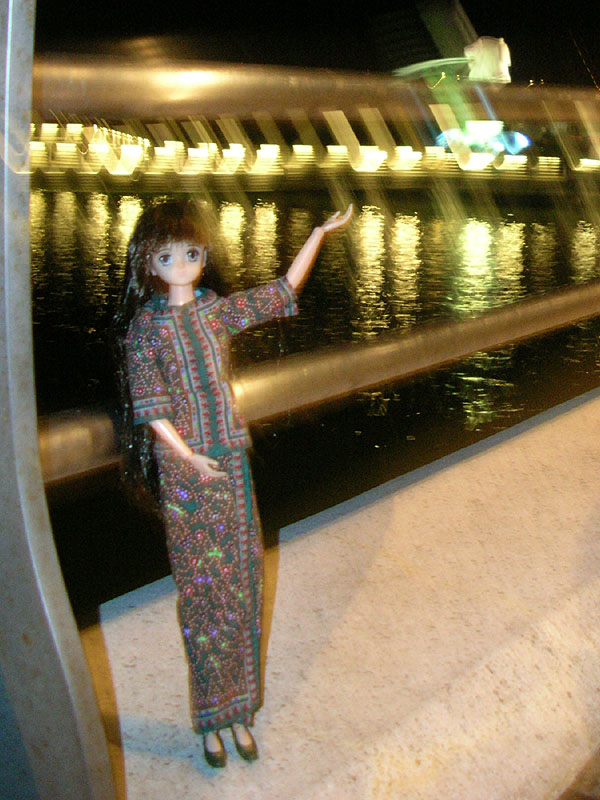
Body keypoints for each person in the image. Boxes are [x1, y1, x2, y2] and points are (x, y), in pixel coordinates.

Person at [113, 197, 353, 768]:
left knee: (242, 585)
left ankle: (240, 711)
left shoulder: (214, 311)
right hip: (187, 476)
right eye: (167, 256)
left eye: (191, 254)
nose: (181, 265)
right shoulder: (145, 330)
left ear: (203, 256)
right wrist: (190, 459)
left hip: (231, 461)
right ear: (148, 261)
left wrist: (318, 234)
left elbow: (282, 290)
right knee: (201, 596)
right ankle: (209, 721)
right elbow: (151, 410)